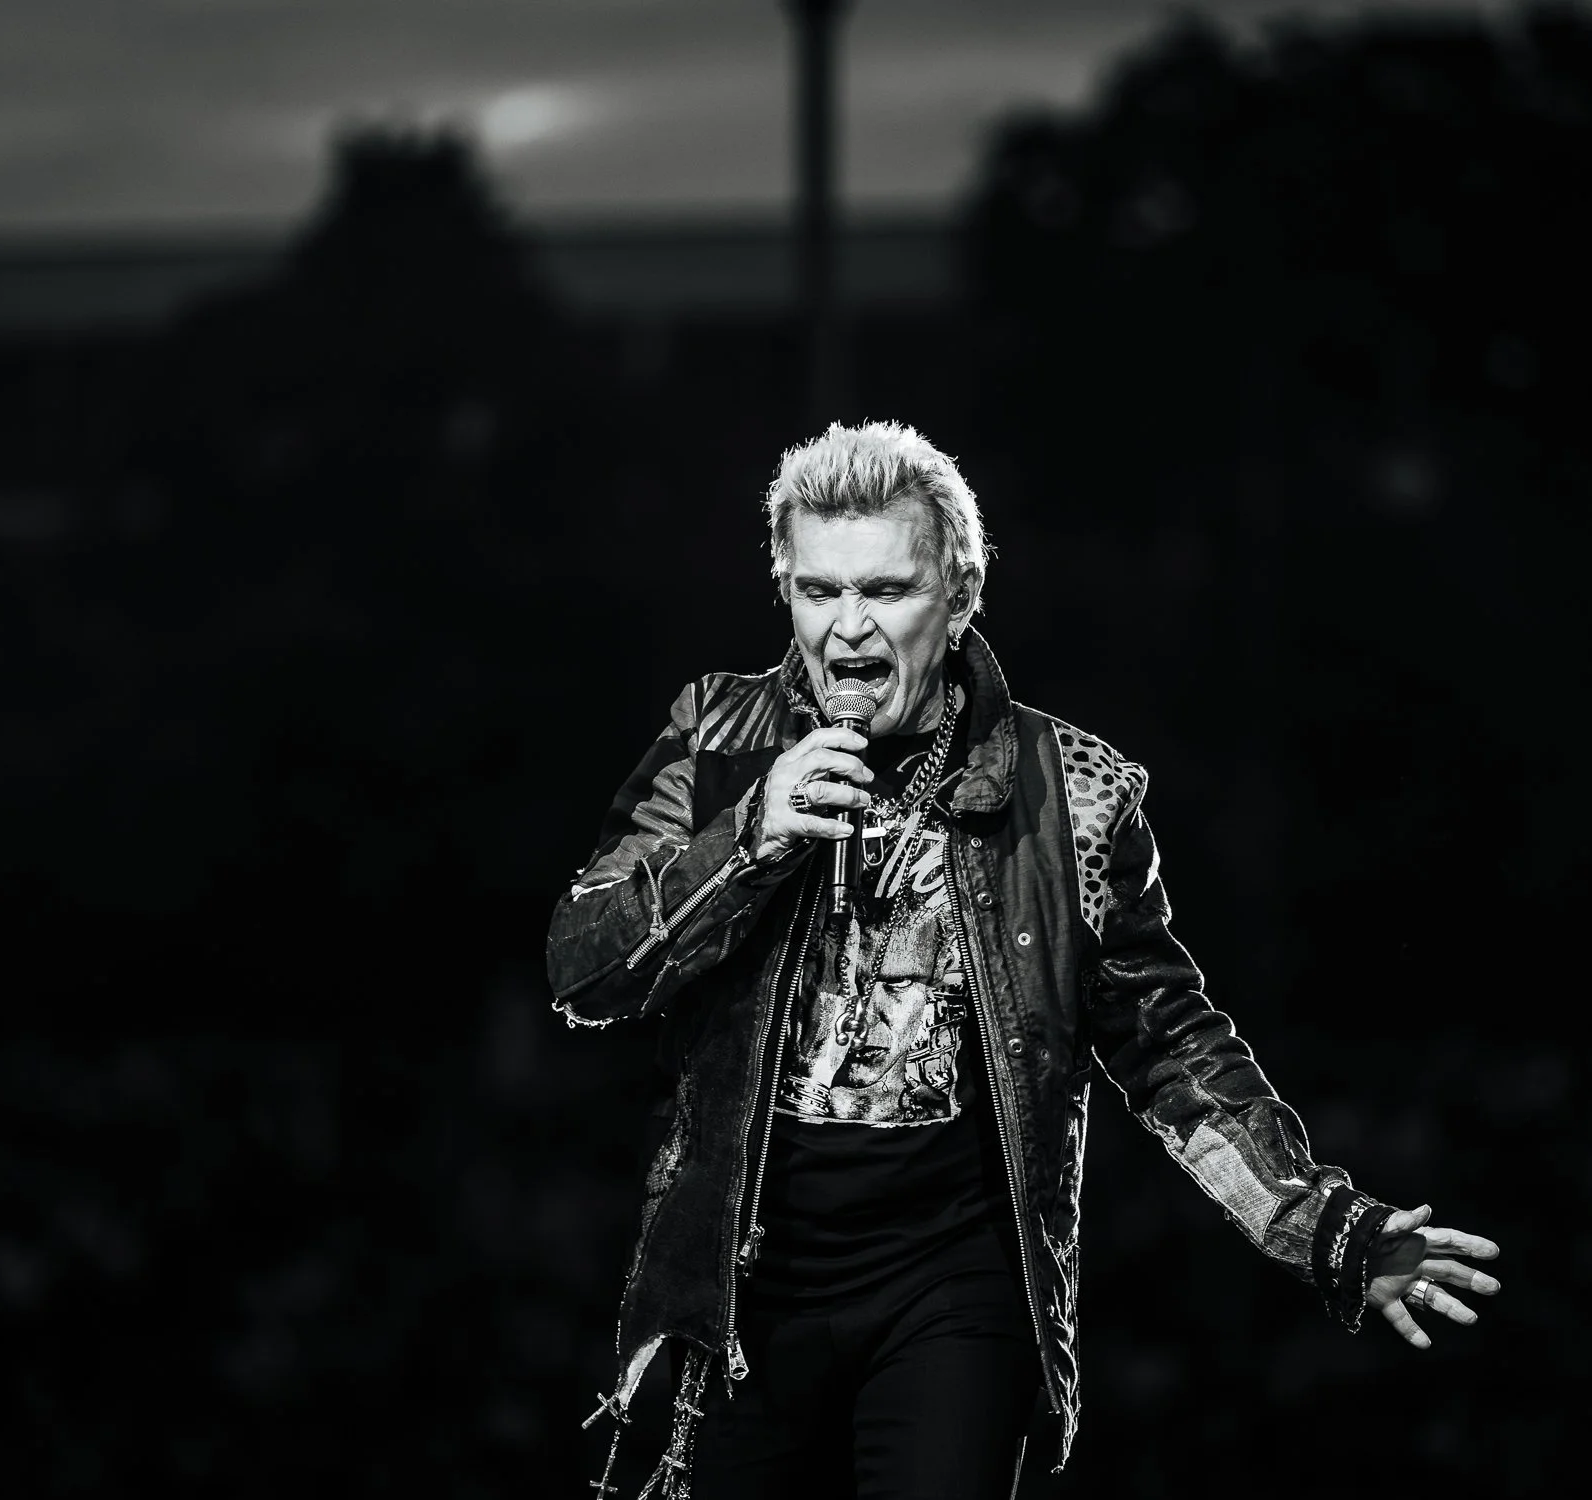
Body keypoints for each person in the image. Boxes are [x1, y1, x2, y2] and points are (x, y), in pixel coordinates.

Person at [548, 421, 1500, 1500]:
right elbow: (584, 967)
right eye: (819, 591)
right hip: (741, 1289)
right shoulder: (717, 737)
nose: (848, 626)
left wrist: (1321, 1225)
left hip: (957, 1284)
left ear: (959, 597)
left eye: (886, 590)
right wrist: (749, 837)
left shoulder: (1072, 794)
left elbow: (1167, 1044)